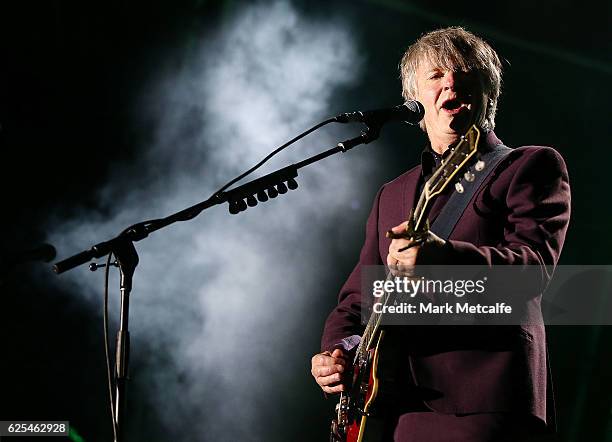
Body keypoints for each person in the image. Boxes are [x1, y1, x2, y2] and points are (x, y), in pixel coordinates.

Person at [310, 27, 571, 441]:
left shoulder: (528, 166)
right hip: (397, 408)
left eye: (466, 72)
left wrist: (442, 256)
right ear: (415, 101)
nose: (450, 81)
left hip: (484, 399)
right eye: (435, 74)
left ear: (489, 93)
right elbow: (358, 298)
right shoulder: (391, 194)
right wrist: (337, 351)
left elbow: (532, 268)